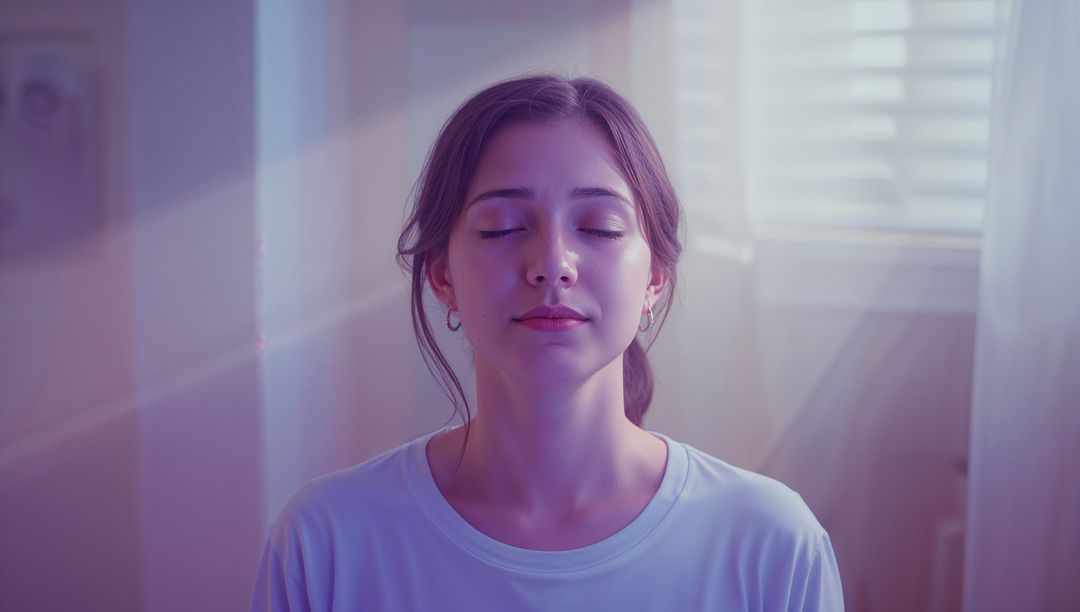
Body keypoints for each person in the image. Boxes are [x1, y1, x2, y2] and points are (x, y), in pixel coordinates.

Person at [249, 74, 845, 611]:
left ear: (655, 278)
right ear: (441, 276)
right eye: (502, 227)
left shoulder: (770, 544)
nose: (553, 264)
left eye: (600, 228)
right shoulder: (327, 542)